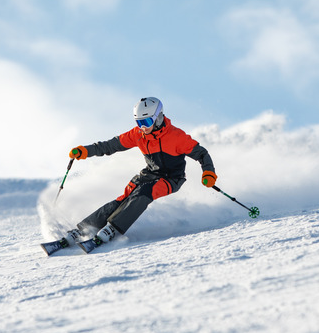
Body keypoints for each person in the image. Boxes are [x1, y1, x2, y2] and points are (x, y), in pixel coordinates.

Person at [64, 97, 217, 247]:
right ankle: (84, 229)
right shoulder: (138, 135)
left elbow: (202, 154)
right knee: (124, 198)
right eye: (139, 123)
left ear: (158, 118)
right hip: (149, 174)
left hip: (171, 178)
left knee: (143, 193)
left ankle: (113, 229)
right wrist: (85, 151)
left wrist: (208, 173)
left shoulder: (177, 137)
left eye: (146, 122)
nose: (143, 127)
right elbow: (110, 146)